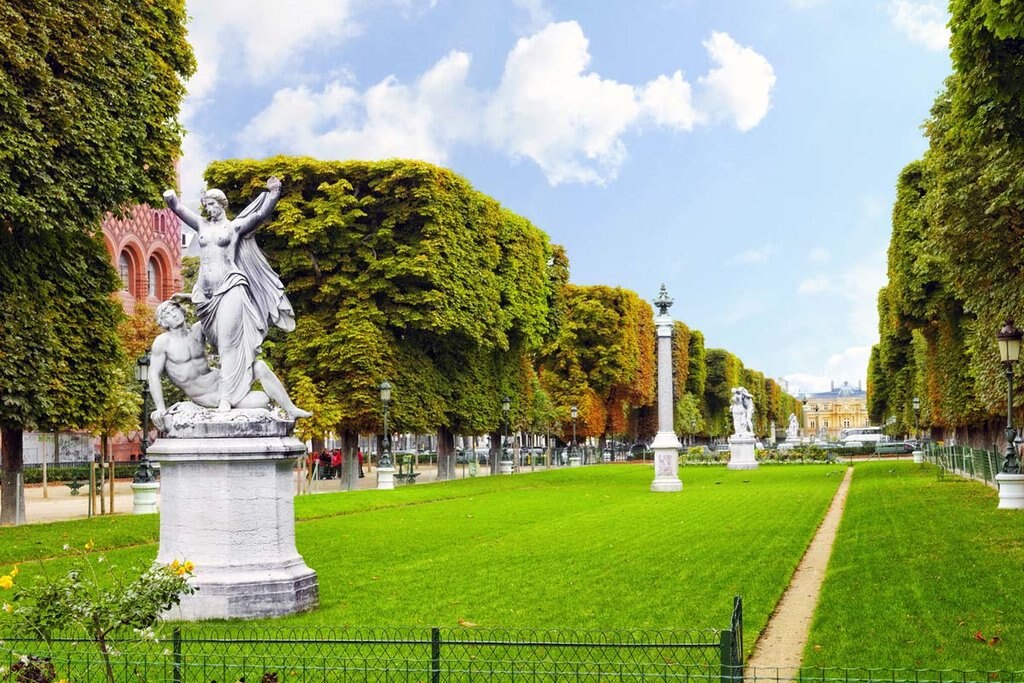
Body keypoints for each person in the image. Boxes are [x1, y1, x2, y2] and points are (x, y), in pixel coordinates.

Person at [163, 177, 296, 411]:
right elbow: (179, 210)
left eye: (213, 205)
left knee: (227, 344)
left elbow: (258, 216)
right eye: (206, 206)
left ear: (222, 205)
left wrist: (274, 194)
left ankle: (226, 397)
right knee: (217, 345)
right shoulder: (202, 225)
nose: (209, 210)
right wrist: (170, 198)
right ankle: (233, 393)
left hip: (231, 285)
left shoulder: (233, 227)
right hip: (205, 298)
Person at [148, 300, 311, 429]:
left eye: (174, 309)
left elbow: (220, 310)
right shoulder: (163, 343)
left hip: (224, 380)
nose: (173, 315)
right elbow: (153, 374)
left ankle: (291, 409)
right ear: (164, 323)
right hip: (208, 396)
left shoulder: (198, 329)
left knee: (259, 366)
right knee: (262, 399)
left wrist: (190, 298)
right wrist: (160, 408)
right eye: (167, 314)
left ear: (181, 310)